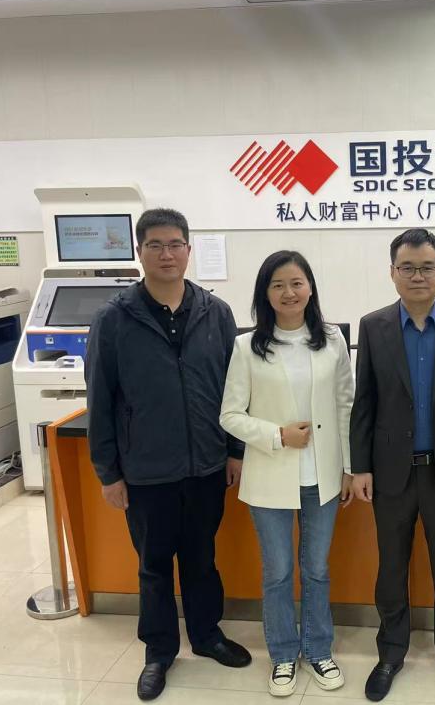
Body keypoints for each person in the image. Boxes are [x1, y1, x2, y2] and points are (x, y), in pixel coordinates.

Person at [85, 208, 251, 702]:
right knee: (154, 566)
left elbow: (235, 390)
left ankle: (207, 636)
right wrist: (108, 472)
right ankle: (158, 652)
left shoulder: (215, 313)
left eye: (175, 244)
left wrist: (234, 451)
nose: (166, 254)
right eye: (155, 245)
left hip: (206, 465)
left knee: (202, 558)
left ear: (188, 250)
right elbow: (100, 399)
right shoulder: (114, 318)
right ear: (139, 252)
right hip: (146, 469)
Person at [350, 228, 435, 702]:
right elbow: (365, 401)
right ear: (392, 272)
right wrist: (360, 467)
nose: (417, 276)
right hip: (391, 470)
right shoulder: (373, 326)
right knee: (391, 567)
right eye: (407, 267)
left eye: (427, 267)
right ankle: (390, 653)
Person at [220, 251, 354, 697]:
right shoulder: (247, 347)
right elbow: (230, 415)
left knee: (316, 569)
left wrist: (349, 467)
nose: (289, 292)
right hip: (270, 476)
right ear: (265, 294)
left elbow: (346, 405)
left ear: (310, 288)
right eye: (277, 285)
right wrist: (277, 435)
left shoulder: (332, 340)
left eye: (296, 283)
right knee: (277, 571)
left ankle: (318, 649)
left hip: (323, 477)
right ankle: (282, 654)